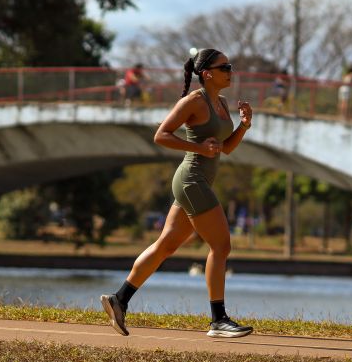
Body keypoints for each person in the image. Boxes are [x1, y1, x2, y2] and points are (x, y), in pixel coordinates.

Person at [100, 48, 254, 338]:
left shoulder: (220, 102)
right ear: (207, 73)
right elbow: (161, 135)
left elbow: (226, 148)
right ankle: (218, 320)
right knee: (221, 247)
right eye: (225, 67)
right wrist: (198, 148)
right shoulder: (194, 101)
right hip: (191, 180)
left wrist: (244, 125)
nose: (230, 71)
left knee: (166, 246)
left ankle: (119, 299)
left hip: (198, 183)